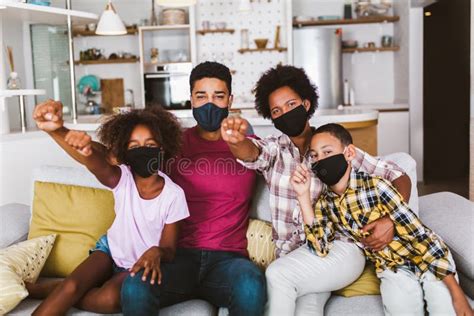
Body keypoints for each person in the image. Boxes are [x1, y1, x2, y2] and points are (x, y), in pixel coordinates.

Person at [221, 64, 412, 315]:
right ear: (272, 119)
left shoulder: (332, 146)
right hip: (295, 258)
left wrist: (392, 219)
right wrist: (236, 142)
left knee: (277, 276)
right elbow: (251, 153)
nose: (284, 113)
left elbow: (399, 175)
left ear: (307, 104)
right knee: (306, 308)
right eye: (276, 111)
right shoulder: (274, 151)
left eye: (291, 104)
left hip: (339, 251)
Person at [291, 123, 473, 316]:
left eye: (327, 152)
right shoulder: (324, 204)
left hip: (426, 258)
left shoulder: (377, 186)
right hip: (392, 270)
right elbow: (319, 247)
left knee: (444, 308)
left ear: (349, 153)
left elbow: (421, 237)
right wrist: (303, 197)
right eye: (314, 156)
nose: (321, 160)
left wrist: (457, 294)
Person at [28, 102, 189, 316]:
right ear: (124, 153)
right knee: (70, 287)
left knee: (110, 300)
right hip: (110, 250)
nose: (142, 150)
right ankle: (62, 289)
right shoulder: (123, 178)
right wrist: (72, 141)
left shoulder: (174, 195)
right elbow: (96, 163)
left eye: (150, 144)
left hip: (137, 263)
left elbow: (169, 249)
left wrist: (156, 251)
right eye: (134, 146)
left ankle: (50, 289)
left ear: (162, 148)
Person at [165, 61, 266, 316]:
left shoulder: (249, 143)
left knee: (251, 284)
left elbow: (251, 154)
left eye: (218, 96)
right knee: (135, 286)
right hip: (178, 257)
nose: (209, 103)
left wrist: (236, 141)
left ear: (229, 101)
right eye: (202, 96)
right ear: (191, 100)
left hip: (228, 261)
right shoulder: (173, 143)